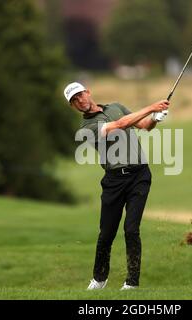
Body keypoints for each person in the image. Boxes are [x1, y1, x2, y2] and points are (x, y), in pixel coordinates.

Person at [63, 82, 170, 290]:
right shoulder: (86, 128)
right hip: (114, 181)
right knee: (106, 233)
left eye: (80, 95)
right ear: (73, 106)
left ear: (88, 92)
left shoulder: (116, 107)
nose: (79, 101)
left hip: (139, 175)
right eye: (74, 101)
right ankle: (99, 279)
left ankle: (132, 283)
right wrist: (151, 107)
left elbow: (144, 126)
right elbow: (119, 125)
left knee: (131, 229)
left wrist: (155, 119)